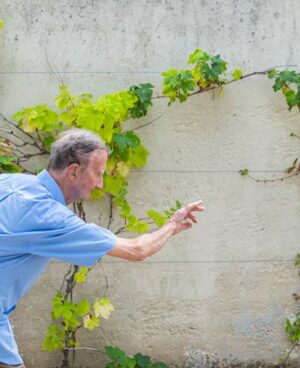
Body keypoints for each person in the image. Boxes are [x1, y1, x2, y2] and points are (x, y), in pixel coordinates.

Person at [0, 129, 204, 367]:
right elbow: (137, 250)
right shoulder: (47, 216)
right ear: (74, 171)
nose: (100, 184)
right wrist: (172, 225)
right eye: (98, 174)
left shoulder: (11, 182)